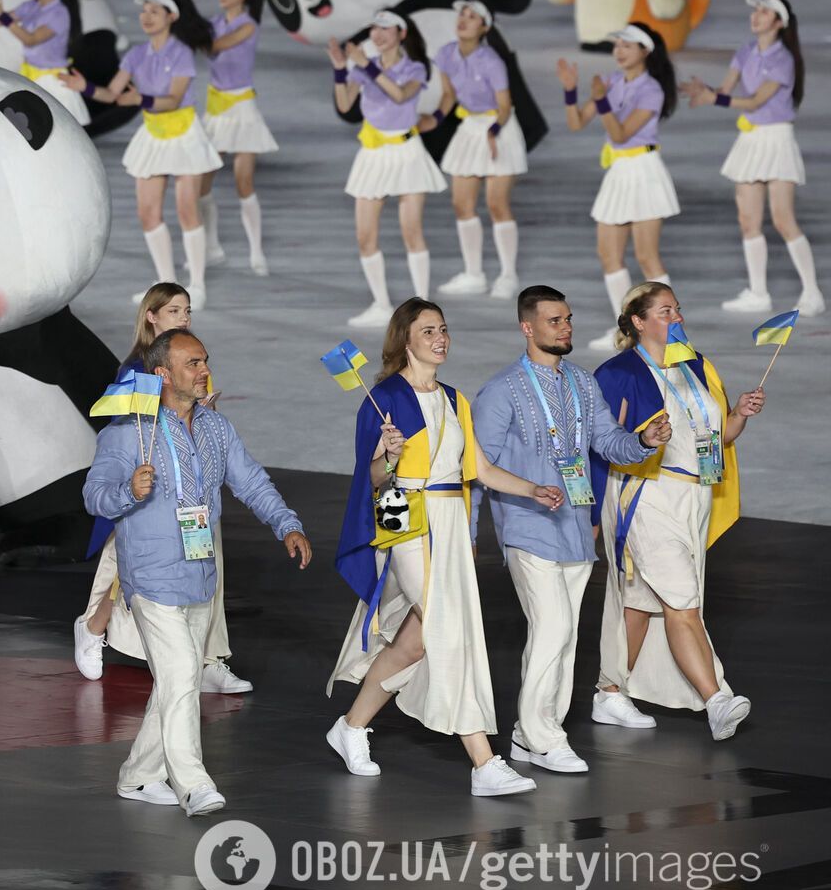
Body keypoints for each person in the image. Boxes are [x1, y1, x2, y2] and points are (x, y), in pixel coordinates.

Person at [325, 299, 549, 797]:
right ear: (406, 340)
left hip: (448, 520)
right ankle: (484, 762)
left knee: (416, 640)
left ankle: (351, 726)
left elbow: (480, 471)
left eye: (444, 329)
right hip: (405, 517)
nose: (440, 338)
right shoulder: (382, 399)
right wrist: (388, 455)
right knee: (447, 629)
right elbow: (374, 481)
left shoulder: (455, 399)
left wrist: (533, 489)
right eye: (429, 331)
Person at [85, 327, 309, 814]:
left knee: (174, 682)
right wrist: (130, 491)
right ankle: (193, 783)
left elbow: (251, 481)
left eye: (205, 361)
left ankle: (139, 776)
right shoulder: (129, 432)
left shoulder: (214, 428)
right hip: (152, 575)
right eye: (193, 364)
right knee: (184, 671)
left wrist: (286, 523)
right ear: (162, 373)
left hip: (201, 573)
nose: (204, 371)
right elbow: (93, 495)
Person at [472, 285, 664, 775]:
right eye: (554, 321)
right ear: (527, 327)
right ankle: (542, 737)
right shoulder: (500, 390)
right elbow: (475, 467)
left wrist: (641, 439)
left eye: (569, 319)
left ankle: (529, 733)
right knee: (553, 627)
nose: (566, 328)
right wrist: (468, 535)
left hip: (577, 526)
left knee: (564, 636)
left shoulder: (581, 382)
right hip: (527, 526)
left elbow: (607, 441)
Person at [591, 283, 760, 742]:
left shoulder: (695, 364)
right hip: (645, 494)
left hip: (693, 497)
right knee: (682, 598)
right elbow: (600, 442)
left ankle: (609, 691)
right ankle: (716, 699)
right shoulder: (619, 372)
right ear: (638, 322)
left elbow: (716, 439)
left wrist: (739, 414)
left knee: (642, 600)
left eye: (678, 309)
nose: (676, 317)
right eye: (665, 311)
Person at [72, 284, 249, 695]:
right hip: (150, 492)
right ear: (151, 315)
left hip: (193, 491)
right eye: (173, 310)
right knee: (126, 574)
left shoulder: (191, 357)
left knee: (206, 571)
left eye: (186, 310)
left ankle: (208, 658)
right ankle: (93, 627)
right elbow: (126, 431)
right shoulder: (137, 369)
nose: (183, 318)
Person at [65, 0, 221, 305]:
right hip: (153, 135)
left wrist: (140, 100)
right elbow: (112, 93)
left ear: (171, 17)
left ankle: (197, 286)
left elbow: (174, 99)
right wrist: (87, 88)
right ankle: (167, 283)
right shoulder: (136, 55)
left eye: (155, 11)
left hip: (184, 134)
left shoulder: (181, 54)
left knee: (186, 210)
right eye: (144, 11)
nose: (147, 16)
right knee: (148, 213)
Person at [681, 0, 821, 316]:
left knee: (784, 219)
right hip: (751, 139)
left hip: (777, 138)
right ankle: (758, 292)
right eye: (755, 10)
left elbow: (757, 101)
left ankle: (812, 292)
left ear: (779, 22)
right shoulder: (745, 51)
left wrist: (713, 99)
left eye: (764, 11)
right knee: (748, 220)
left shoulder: (783, 59)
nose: (756, 15)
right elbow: (727, 90)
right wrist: (708, 91)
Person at [558, 23, 679, 351]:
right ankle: (627, 332)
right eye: (617, 45)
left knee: (646, 256)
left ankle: (671, 332)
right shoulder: (611, 82)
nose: (620, 51)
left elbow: (623, 133)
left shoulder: (651, 89)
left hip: (644, 169)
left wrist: (603, 102)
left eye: (628, 45)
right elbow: (576, 121)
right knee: (608, 254)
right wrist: (571, 90)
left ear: (645, 51)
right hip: (619, 171)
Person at [329, 11, 445, 329]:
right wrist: (341, 69)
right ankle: (380, 303)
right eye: (374, 28)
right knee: (365, 236)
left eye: (385, 28)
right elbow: (344, 104)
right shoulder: (364, 66)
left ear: (401, 33)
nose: (377, 34)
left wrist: (365, 65)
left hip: (406, 151)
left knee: (412, 231)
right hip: (372, 153)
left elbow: (399, 94)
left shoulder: (415, 68)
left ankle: (423, 309)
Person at [432, 1, 527, 295]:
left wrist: (494, 131)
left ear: (484, 27)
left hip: (498, 128)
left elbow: (505, 106)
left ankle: (508, 275)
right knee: (462, 204)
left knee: (497, 204)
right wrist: (432, 120)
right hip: (470, 128)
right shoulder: (445, 54)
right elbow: (448, 95)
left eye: (472, 17)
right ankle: (473, 274)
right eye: (462, 14)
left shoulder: (492, 62)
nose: (464, 20)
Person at [197, 0, 276, 277]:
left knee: (244, 181)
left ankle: (256, 251)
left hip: (242, 109)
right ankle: (211, 246)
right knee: (202, 182)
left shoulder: (248, 25)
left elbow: (215, 46)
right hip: (216, 109)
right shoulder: (215, 23)